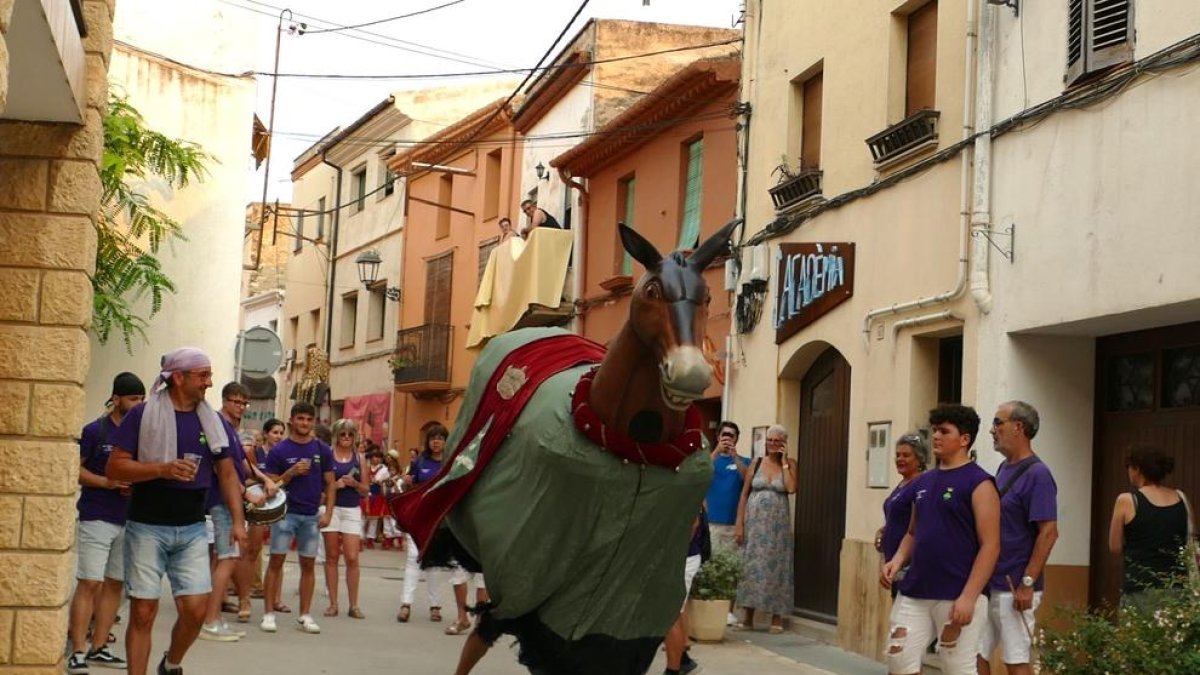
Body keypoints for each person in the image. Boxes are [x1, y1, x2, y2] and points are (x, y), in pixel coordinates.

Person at [106, 348, 248, 675]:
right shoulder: (142, 415)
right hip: (146, 525)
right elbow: (115, 467)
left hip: (193, 526)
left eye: (210, 375)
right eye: (203, 376)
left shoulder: (213, 421)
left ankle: (171, 663)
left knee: (196, 610)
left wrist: (238, 521)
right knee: (143, 612)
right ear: (179, 378)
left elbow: (227, 473)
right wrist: (162, 469)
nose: (209, 383)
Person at [881, 404, 1000, 675]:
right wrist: (897, 560)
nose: (935, 436)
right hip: (915, 590)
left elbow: (991, 545)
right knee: (898, 661)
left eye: (944, 431)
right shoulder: (922, 482)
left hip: (958, 593)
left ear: (964, 439)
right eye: (934, 430)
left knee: (958, 667)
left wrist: (969, 597)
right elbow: (912, 532)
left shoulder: (980, 483)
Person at [67, 372, 144, 674]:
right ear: (116, 399)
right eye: (133, 399)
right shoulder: (94, 431)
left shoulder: (140, 434)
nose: (138, 405)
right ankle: (77, 651)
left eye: (141, 399)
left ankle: (99, 646)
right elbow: (75, 470)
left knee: (115, 583)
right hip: (96, 515)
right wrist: (108, 482)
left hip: (129, 519)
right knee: (89, 582)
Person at [978, 401, 1058, 675]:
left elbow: (1048, 532)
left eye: (998, 423)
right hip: (991, 582)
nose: (992, 430)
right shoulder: (1002, 470)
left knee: (1016, 660)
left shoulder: (1038, 474)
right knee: (974, 653)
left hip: (1016, 586)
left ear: (1018, 427)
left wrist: (1027, 583)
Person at [261, 402, 335, 635]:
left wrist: (329, 513)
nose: (304, 423)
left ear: (314, 422)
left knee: (309, 565)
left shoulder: (322, 449)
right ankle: (268, 614)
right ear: (291, 420)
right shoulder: (279, 451)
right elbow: (271, 487)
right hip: (285, 514)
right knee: (276, 562)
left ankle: (305, 614)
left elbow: (331, 483)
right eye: (300, 418)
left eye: (308, 419)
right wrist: (290, 474)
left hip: (311, 515)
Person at [1108, 444, 1193, 612]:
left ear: (1137, 469)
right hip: (1176, 585)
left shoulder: (1127, 500)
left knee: (1138, 637)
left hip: (1140, 586)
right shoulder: (1181, 498)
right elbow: (1191, 539)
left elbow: (1115, 546)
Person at [198, 429, 262, 642]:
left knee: (223, 559)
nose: (241, 406)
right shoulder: (220, 428)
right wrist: (246, 493)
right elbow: (222, 471)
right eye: (236, 401)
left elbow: (240, 468)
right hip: (223, 502)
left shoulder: (232, 434)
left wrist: (262, 482)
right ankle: (210, 621)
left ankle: (214, 617)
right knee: (227, 559)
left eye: (244, 402)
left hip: (229, 502)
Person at [734, 424, 797, 633]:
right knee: (752, 567)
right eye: (769, 440)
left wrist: (786, 464)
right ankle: (748, 615)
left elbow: (790, 488)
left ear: (784, 444)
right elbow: (744, 494)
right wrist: (739, 523)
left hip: (778, 528)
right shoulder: (756, 462)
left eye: (777, 441)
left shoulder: (790, 464)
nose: (772, 444)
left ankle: (776, 617)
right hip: (755, 525)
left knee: (777, 567)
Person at [322, 418, 369, 618]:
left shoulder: (360, 458)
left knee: (352, 557)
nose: (347, 438)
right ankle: (333, 603)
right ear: (336, 436)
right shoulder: (328, 456)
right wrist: (335, 485)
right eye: (343, 434)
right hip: (332, 508)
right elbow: (321, 487)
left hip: (351, 509)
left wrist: (355, 485)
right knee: (331, 556)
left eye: (350, 434)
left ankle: (354, 604)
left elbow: (366, 490)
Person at [874, 433, 928, 597]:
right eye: (897, 455)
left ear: (919, 459)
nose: (900, 459)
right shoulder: (902, 484)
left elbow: (917, 524)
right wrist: (883, 530)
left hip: (908, 566)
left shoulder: (920, 485)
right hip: (894, 563)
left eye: (906, 455)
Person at [663, 510, 705, 675]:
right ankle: (683, 660)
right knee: (674, 612)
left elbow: (693, 523)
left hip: (681, 558)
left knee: (669, 613)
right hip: (679, 556)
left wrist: (674, 552)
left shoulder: (689, 487)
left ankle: (673, 670)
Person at [706, 421, 749, 553]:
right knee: (712, 565)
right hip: (712, 522)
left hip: (734, 524)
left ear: (736, 438)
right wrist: (717, 451)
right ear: (718, 437)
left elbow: (747, 479)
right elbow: (700, 472)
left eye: (732, 435)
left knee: (733, 567)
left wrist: (734, 456)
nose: (728, 438)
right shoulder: (710, 459)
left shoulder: (745, 461)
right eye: (725, 434)